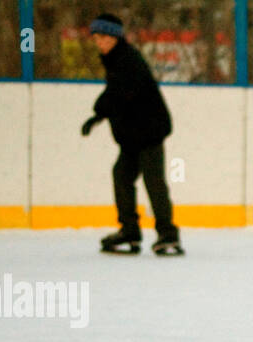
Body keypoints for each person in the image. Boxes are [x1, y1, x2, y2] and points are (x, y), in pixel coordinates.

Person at [81, 13, 183, 256]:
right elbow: (116, 93)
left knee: (153, 180)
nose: (100, 42)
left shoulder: (128, 59)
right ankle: (130, 231)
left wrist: (98, 112)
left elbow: (122, 91)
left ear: (116, 37)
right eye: (96, 38)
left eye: (104, 37)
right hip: (132, 136)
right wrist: (99, 115)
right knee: (121, 176)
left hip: (149, 132)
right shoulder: (116, 60)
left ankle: (167, 234)